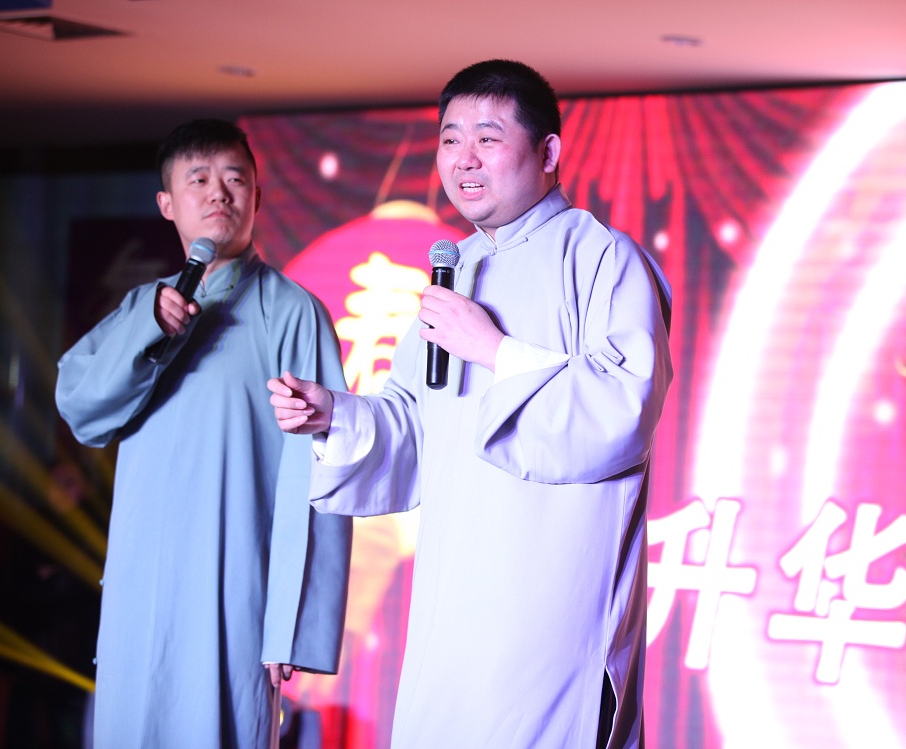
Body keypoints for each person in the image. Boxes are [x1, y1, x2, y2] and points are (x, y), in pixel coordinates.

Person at [268, 60, 673, 749]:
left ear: (547, 151)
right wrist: (334, 414)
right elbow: (414, 425)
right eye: (450, 139)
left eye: (487, 138)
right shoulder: (454, 269)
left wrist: (493, 349)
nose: (464, 159)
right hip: (451, 600)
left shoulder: (602, 258)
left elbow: (621, 413)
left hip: (549, 603)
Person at [55, 118, 352, 749]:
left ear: (257, 197)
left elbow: (321, 469)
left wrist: (293, 625)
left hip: (234, 587)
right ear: (167, 203)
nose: (219, 192)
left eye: (234, 179)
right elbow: (82, 408)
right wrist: (148, 328)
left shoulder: (293, 312)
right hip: (140, 586)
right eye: (198, 180)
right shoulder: (143, 307)